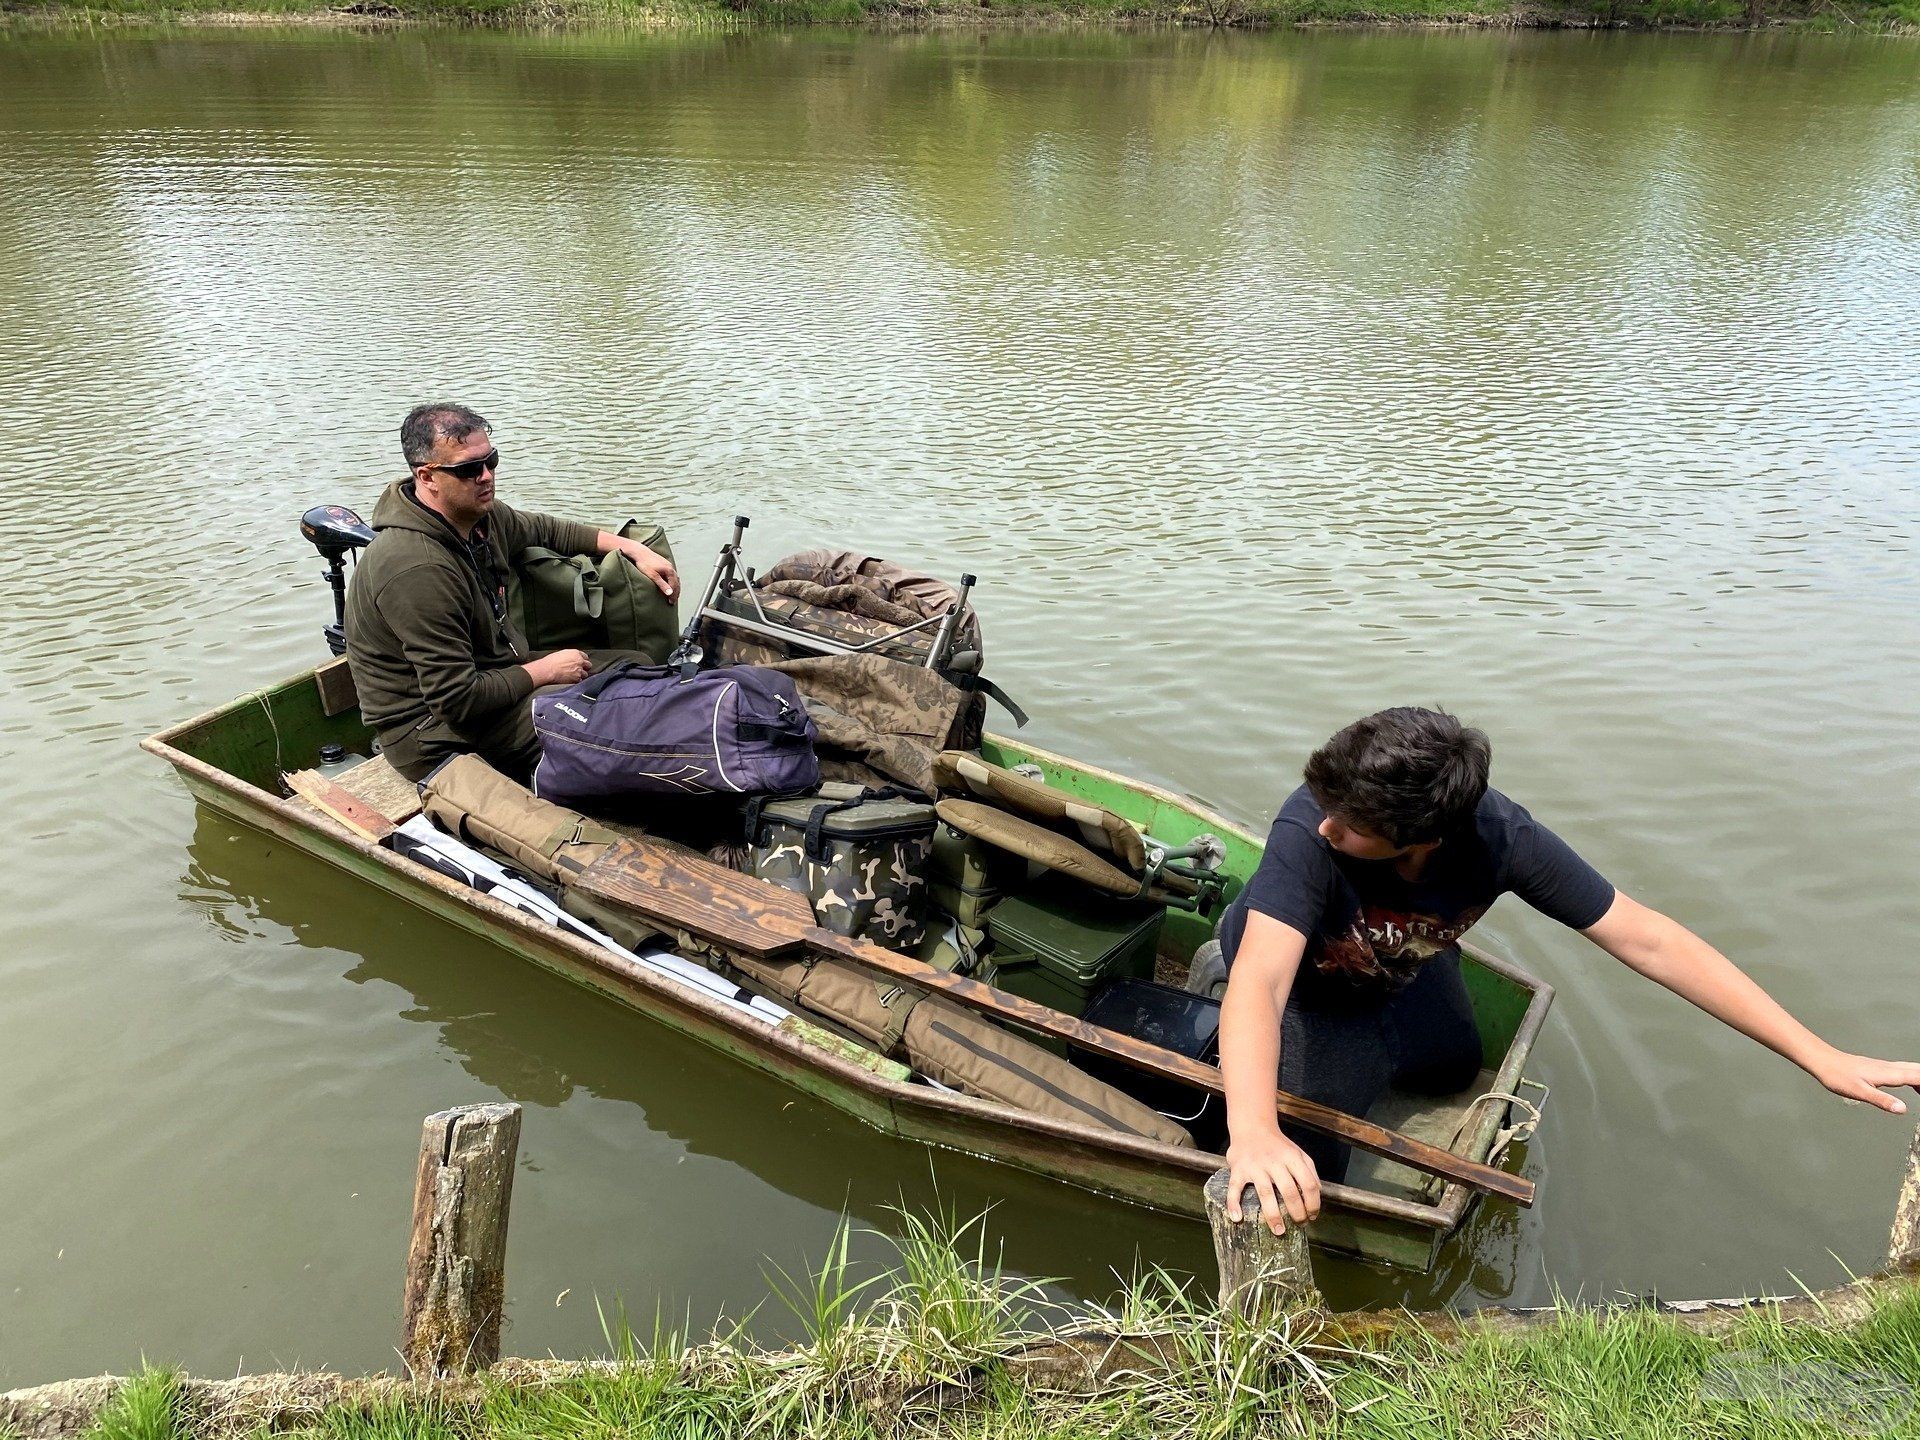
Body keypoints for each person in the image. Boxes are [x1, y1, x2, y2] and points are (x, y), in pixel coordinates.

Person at [1218, 706, 1920, 1235]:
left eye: (1350, 827)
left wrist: (1816, 1054)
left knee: (1457, 1068)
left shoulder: (1500, 838)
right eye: (1328, 808)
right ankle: (1212, 1008)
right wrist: (1254, 1131)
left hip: (1402, 964)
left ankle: (1357, 1054)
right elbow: (1263, 981)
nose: (1326, 828)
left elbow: (1650, 941)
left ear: (1425, 839)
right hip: (1302, 985)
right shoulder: (1308, 827)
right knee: (1305, 1167)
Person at [344, 403, 680, 783]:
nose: (486, 477)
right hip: (431, 735)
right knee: (599, 718)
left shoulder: (478, 517)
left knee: (632, 665)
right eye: (469, 469)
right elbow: (457, 701)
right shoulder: (418, 567)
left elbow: (548, 530)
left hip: (496, 675)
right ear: (427, 476)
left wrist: (633, 549)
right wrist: (543, 670)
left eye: (491, 461)